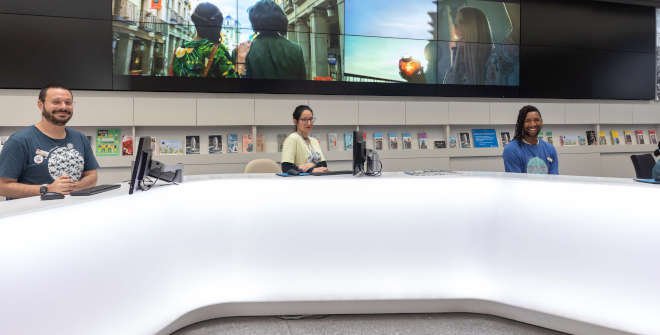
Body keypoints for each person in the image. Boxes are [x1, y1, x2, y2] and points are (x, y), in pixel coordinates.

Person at [0, 85, 99, 199]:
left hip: (71, 210)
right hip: (32, 214)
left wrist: (74, 187)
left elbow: (92, 176)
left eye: (68, 102)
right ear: (40, 105)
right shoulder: (19, 141)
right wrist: (46, 189)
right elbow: (2, 186)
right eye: (56, 102)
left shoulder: (80, 138)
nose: (63, 107)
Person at [171, 2, 250, 78]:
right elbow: (234, 85)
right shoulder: (218, 52)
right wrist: (240, 60)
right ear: (217, 25)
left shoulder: (179, 50)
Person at [245, 0, 306, 80]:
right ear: (280, 19)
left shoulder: (245, 51)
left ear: (254, 21)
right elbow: (302, 85)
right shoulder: (296, 49)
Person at [443, 7, 495, 85]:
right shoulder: (457, 53)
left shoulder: (494, 59)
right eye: (455, 23)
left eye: (461, 21)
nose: (455, 27)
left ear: (474, 27)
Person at [503, 105, 558, 174]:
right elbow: (516, 182)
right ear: (521, 124)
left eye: (536, 120)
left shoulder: (550, 149)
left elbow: (555, 179)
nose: (533, 124)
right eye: (528, 121)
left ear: (541, 122)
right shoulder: (511, 150)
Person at [281, 105, 328, 174]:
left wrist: (312, 164)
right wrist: (310, 170)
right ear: (295, 121)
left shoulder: (314, 141)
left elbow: (324, 165)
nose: (309, 123)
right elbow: (286, 167)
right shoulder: (292, 139)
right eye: (304, 120)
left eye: (310, 119)